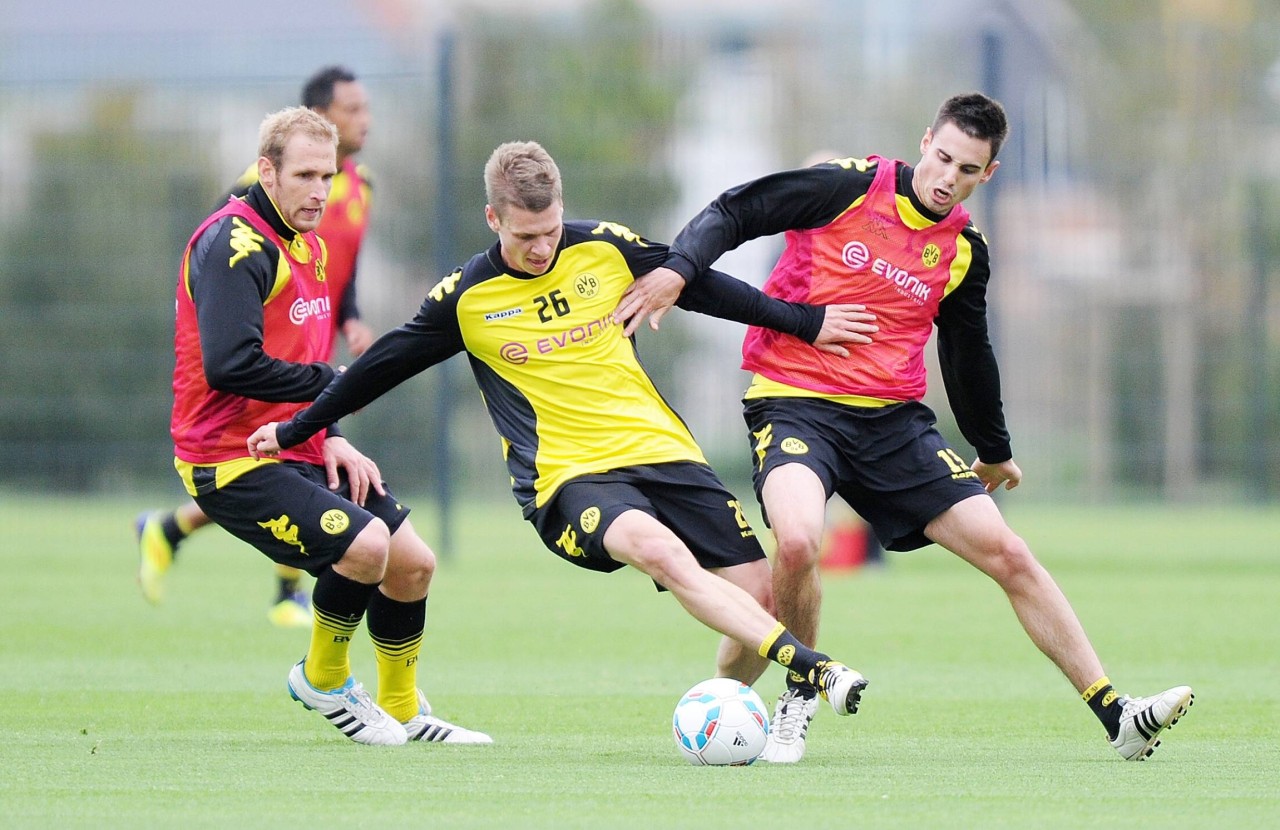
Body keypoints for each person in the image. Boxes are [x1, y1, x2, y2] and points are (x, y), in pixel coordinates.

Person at [616, 92, 1193, 763]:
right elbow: (735, 210)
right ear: (925, 141)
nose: (948, 176)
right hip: (795, 402)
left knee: (1008, 552)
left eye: (968, 169)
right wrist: (678, 270)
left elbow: (968, 351)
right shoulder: (845, 187)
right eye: (943, 157)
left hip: (894, 426)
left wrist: (994, 448)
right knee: (798, 543)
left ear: (988, 175)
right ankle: (800, 693)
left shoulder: (963, 251)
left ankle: (1116, 713)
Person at [246, 140, 879, 728]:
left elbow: (702, 287)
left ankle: (727, 709)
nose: (543, 247)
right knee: (656, 549)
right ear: (493, 219)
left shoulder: (605, 248)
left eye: (550, 231)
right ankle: (815, 669)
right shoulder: (468, 297)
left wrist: (805, 321)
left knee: (763, 599)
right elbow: (381, 365)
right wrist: (301, 427)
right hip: (569, 479)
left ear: (563, 211)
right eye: (525, 236)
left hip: (664, 453)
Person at [165, 105, 489, 745]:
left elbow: (305, 360)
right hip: (229, 457)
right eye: (307, 175)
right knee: (365, 547)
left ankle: (402, 708)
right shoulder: (233, 246)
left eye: (329, 175)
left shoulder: (307, 244)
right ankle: (324, 678)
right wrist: (333, 387)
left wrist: (333, 432)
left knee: (413, 563)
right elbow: (232, 365)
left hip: (296, 442)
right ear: (267, 171)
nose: (321, 190)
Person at [137, 66, 377, 627]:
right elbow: (230, 261)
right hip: (256, 380)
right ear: (323, 115)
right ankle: (295, 613)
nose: (365, 121)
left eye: (367, 109)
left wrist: (351, 316)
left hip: (303, 357)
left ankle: (174, 530)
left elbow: (342, 266)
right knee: (347, 533)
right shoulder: (258, 201)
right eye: (353, 110)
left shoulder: (358, 188)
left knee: (399, 551)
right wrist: (327, 379)